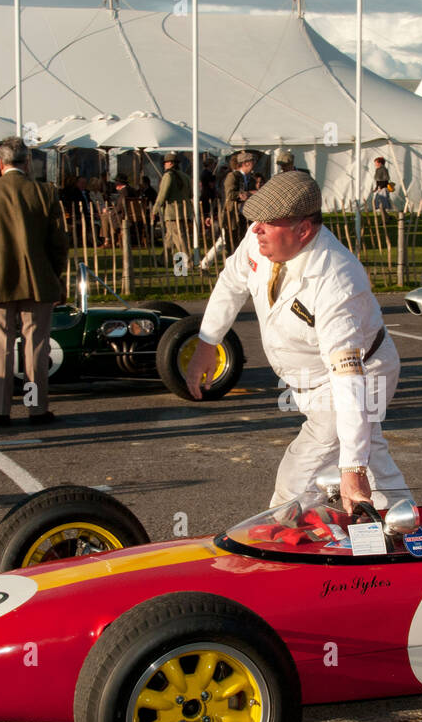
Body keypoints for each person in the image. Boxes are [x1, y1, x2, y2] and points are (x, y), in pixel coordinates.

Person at [183, 170, 407, 512]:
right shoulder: (261, 238)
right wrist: (206, 344)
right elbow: (231, 282)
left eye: (268, 222)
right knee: (369, 456)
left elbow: (348, 377)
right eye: (255, 220)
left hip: (359, 376)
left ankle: (279, 536)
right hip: (311, 379)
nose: (255, 228)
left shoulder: (337, 279)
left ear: (303, 230)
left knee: (301, 474)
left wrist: (351, 469)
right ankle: (405, 534)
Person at [0, 136, 70, 427]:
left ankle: (0, 410)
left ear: (0, 163)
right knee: (35, 348)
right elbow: (58, 244)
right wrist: (56, 276)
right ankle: (35, 407)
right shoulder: (45, 192)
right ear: (27, 162)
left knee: (2, 347)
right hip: (38, 280)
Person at [152, 151, 192, 264]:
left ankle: (187, 262)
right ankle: (162, 260)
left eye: (165, 162)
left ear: (170, 163)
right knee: (169, 238)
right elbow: (190, 194)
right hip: (183, 210)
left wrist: (155, 210)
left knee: (179, 239)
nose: (164, 165)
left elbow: (162, 194)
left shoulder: (168, 176)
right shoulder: (185, 176)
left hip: (172, 212)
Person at [222, 152, 255, 250]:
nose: (254, 164)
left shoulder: (250, 178)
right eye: (253, 162)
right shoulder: (233, 176)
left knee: (244, 242)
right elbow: (229, 194)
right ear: (246, 163)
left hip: (245, 216)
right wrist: (247, 194)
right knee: (233, 244)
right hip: (233, 215)